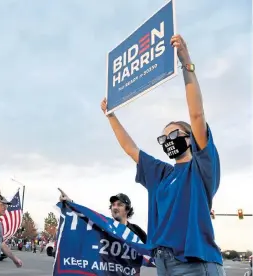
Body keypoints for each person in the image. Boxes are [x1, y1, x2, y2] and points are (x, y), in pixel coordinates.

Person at [100, 34, 224, 275]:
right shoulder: (161, 174)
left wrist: (186, 63)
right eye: (164, 138)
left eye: (174, 134)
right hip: (163, 262)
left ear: (190, 138)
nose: (169, 140)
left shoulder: (201, 167)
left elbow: (197, 115)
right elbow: (131, 149)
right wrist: (110, 116)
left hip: (194, 264)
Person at [59, 189, 147, 243]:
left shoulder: (136, 231)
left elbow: (152, 250)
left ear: (127, 210)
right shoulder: (105, 226)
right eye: (113, 205)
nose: (115, 207)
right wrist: (70, 203)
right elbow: (86, 219)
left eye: (119, 205)